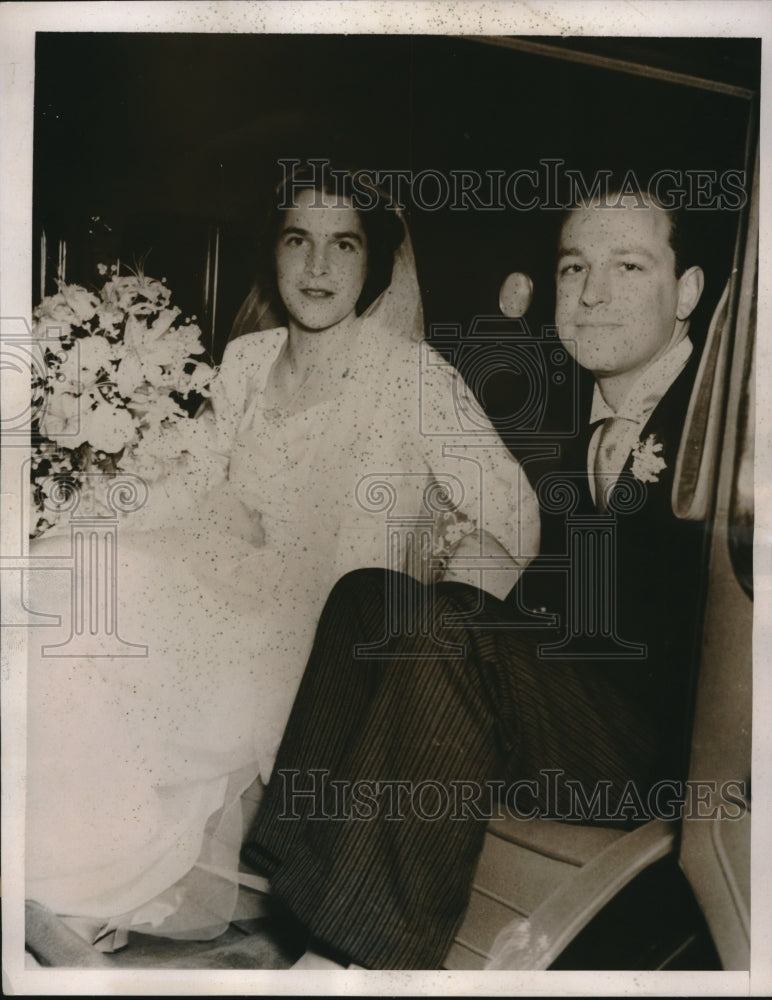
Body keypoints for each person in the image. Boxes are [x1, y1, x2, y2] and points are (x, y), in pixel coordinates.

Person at [24, 164, 539, 957]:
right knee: (75, 579)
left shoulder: (413, 378)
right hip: (224, 577)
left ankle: (73, 872)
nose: (318, 267)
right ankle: (43, 857)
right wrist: (84, 520)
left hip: (323, 633)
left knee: (119, 636)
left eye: (344, 244)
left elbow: (515, 514)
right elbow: (193, 481)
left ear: (373, 264)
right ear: (275, 253)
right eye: (298, 240)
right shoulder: (248, 361)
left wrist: (439, 622)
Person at [237, 188, 710, 970]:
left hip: (668, 764)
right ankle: (306, 880)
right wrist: (492, 572)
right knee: (369, 596)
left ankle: (359, 958)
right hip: (574, 699)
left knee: (447, 629)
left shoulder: (722, 418)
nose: (592, 293)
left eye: (629, 266)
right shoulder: (567, 405)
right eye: (574, 267)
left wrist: (497, 612)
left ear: (686, 291)